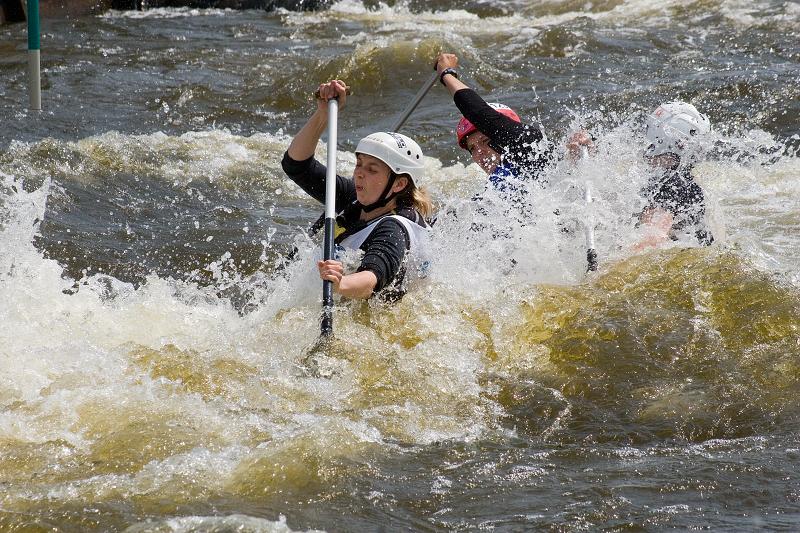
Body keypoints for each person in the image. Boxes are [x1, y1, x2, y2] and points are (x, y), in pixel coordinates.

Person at [281, 79, 433, 301]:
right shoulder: (356, 197)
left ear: (399, 184)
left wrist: (341, 284)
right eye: (359, 164)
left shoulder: (395, 228)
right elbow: (296, 165)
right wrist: (322, 115)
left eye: (372, 169)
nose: (359, 173)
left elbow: (372, 278)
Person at [568, 101, 714, 250]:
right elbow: (604, 198)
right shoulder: (661, 177)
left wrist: (609, 264)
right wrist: (583, 157)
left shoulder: (674, 185)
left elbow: (653, 239)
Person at [434, 52, 552, 201]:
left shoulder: (531, 147)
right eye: (473, 149)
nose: (479, 153)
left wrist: (446, 73)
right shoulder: (490, 195)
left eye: (484, 141)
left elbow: (478, 112)